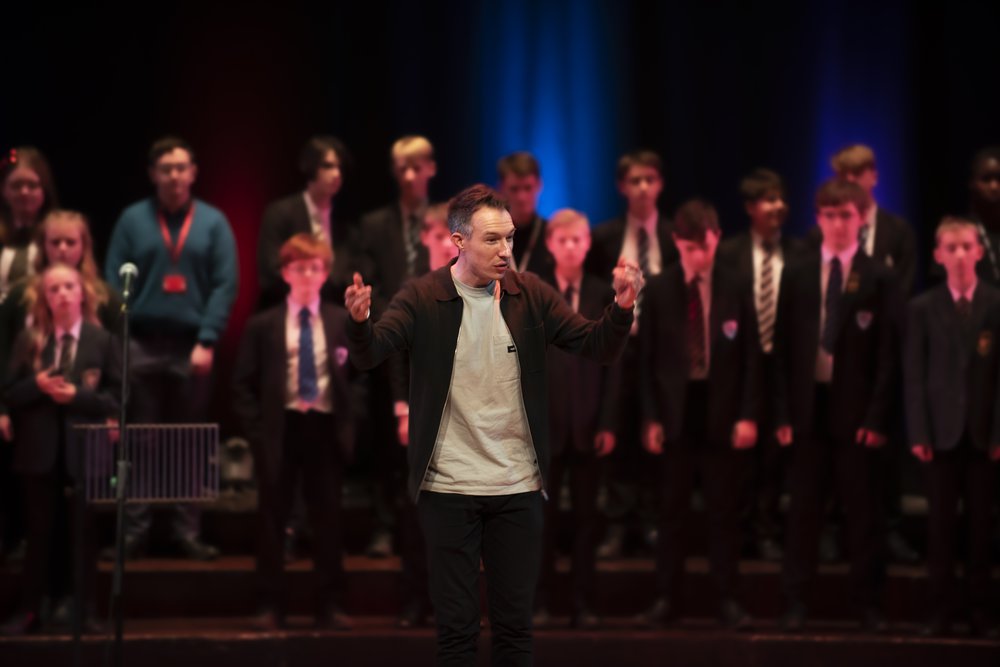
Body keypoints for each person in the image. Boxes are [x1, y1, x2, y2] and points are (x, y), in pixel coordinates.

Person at [344, 185, 643, 665]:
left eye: (510, 238)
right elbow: (371, 352)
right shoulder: (423, 296)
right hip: (449, 487)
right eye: (492, 240)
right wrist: (359, 322)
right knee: (458, 632)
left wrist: (622, 308)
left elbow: (596, 346)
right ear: (458, 241)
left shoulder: (531, 294)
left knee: (515, 631)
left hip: (517, 486)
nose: (506, 250)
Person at [103, 136, 238, 560]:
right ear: (153, 175)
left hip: (192, 346)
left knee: (189, 443)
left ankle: (187, 531)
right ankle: (134, 533)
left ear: (193, 172)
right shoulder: (132, 220)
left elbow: (225, 284)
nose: (175, 175)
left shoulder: (214, 222)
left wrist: (208, 339)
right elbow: (111, 283)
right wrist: (120, 338)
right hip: (140, 344)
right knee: (138, 441)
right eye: (166, 169)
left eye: (181, 167)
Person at [774, 179, 898, 633]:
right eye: (830, 215)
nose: (838, 224)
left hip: (857, 416)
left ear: (861, 218)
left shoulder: (879, 276)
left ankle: (868, 602)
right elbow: (783, 352)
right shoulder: (800, 272)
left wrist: (877, 417)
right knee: (803, 512)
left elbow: (889, 356)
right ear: (818, 218)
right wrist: (784, 414)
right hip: (808, 412)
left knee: (863, 514)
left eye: (846, 215)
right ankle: (795, 601)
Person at [636, 199, 761, 631]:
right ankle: (667, 597)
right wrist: (650, 418)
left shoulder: (735, 284)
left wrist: (748, 415)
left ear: (717, 239)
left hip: (721, 410)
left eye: (705, 248)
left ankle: (727, 597)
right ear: (677, 243)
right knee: (670, 512)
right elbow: (646, 360)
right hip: (675, 412)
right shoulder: (661, 288)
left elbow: (751, 359)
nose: (699, 257)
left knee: (723, 512)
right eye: (691, 249)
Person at [233, 233, 356, 631]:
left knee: (328, 518)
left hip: (323, 426)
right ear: (285, 273)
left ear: (325, 273)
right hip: (281, 427)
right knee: (272, 516)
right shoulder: (264, 325)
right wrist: (257, 433)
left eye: (315, 268)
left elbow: (360, 376)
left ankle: (330, 603)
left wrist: (353, 419)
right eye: (299, 268)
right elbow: (243, 384)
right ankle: (269, 603)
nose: (307, 275)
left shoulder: (340, 321)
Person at [0, 264, 120, 636]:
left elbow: (118, 396)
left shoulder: (102, 341)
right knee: (39, 536)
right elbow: (9, 395)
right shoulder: (31, 341)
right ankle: (30, 610)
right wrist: (36, 385)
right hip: (39, 452)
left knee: (84, 536)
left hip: (84, 450)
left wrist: (79, 396)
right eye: (54, 289)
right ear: (45, 298)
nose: (63, 294)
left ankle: (86, 610)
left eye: (69, 286)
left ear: (82, 293)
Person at [904, 217, 1000, 638]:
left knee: (981, 528)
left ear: (980, 251)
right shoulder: (922, 308)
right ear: (938, 255)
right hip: (939, 435)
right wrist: (919, 432)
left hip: (983, 436)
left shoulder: (997, 305)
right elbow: (914, 375)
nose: (960, 255)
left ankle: (979, 610)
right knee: (940, 528)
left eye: (967, 246)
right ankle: (939, 610)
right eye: (951, 247)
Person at [585, 149, 678, 559]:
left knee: (657, 433)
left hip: (662, 351)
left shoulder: (674, 236)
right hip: (618, 346)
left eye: (650, 180)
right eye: (635, 180)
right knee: (616, 432)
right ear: (623, 186)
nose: (643, 187)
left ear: (660, 185)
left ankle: (654, 521)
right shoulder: (604, 237)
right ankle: (618, 523)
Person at [532, 209, 619, 630]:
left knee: (587, 522)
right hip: (543, 429)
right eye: (562, 240)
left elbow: (615, 365)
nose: (570, 247)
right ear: (550, 245)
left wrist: (608, 422)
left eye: (577, 240)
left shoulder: (604, 294)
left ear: (588, 245)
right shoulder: (532, 293)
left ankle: (584, 603)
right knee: (541, 522)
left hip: (588, 425)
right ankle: (542, 600)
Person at [717, 168, 803, 563]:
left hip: (784, 367)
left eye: (781, 198)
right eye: (769, 199)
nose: (778, 206)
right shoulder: (729, 253)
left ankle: (767, 528)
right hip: (737, 367)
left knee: (776, 454)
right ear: (751, 207)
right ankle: (736, 530)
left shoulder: (800, 253)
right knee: (738, 456)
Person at [256, 135, 356, 310]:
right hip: (285, 312)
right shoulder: (280, 213)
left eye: (340, 167)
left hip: (332, 317)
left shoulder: (345, 223)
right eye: (328, 166)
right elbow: (270, 272)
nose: (337, 174)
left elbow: (348, 274)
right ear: (310, 167)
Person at [0, 147, 57, 302]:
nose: (24, 192)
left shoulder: (58, 235)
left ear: (44, 190)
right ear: (3, 190)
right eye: (16, 185)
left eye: (32, 185)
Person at [496, 152, 553, 277]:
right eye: (514, 189)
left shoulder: (553, 234)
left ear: (539, 185)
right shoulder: (492, 235)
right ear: (501, 188)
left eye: (528, 188)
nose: (521, 197)